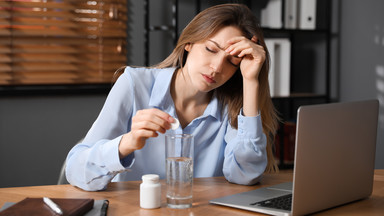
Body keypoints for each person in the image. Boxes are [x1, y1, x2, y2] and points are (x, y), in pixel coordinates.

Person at [66, 3, 279, 191]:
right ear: (188, 43)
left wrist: (251, 81)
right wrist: (127, 143)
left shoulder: (231, 104)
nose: (216, 68)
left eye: (232, 62)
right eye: (210, 49)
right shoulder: (133, 84)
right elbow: (75, 170)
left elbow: (245, 175)